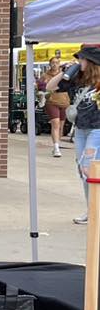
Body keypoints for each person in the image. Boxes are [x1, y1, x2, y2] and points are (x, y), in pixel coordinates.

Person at [47, 46, 100, 223]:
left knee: (88, 166)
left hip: (97, 129)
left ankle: (94, 210)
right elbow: (50, 86)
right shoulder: (75, 78)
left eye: (82, 59)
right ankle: (91, 210)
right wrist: (64, 72)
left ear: (92, 61)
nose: (80, 62)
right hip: (80, 129)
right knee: (83, 171)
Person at [42, 56, 67, 157]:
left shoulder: (64, 75)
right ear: (50, 64)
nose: (54, 64)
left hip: (64, 101)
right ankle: (56, 147)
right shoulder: (45, 75)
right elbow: (41, 87)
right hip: (51, 101)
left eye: (57, 62)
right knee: (55, 123)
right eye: (53, 62)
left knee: (61, 126)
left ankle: (57, 144)